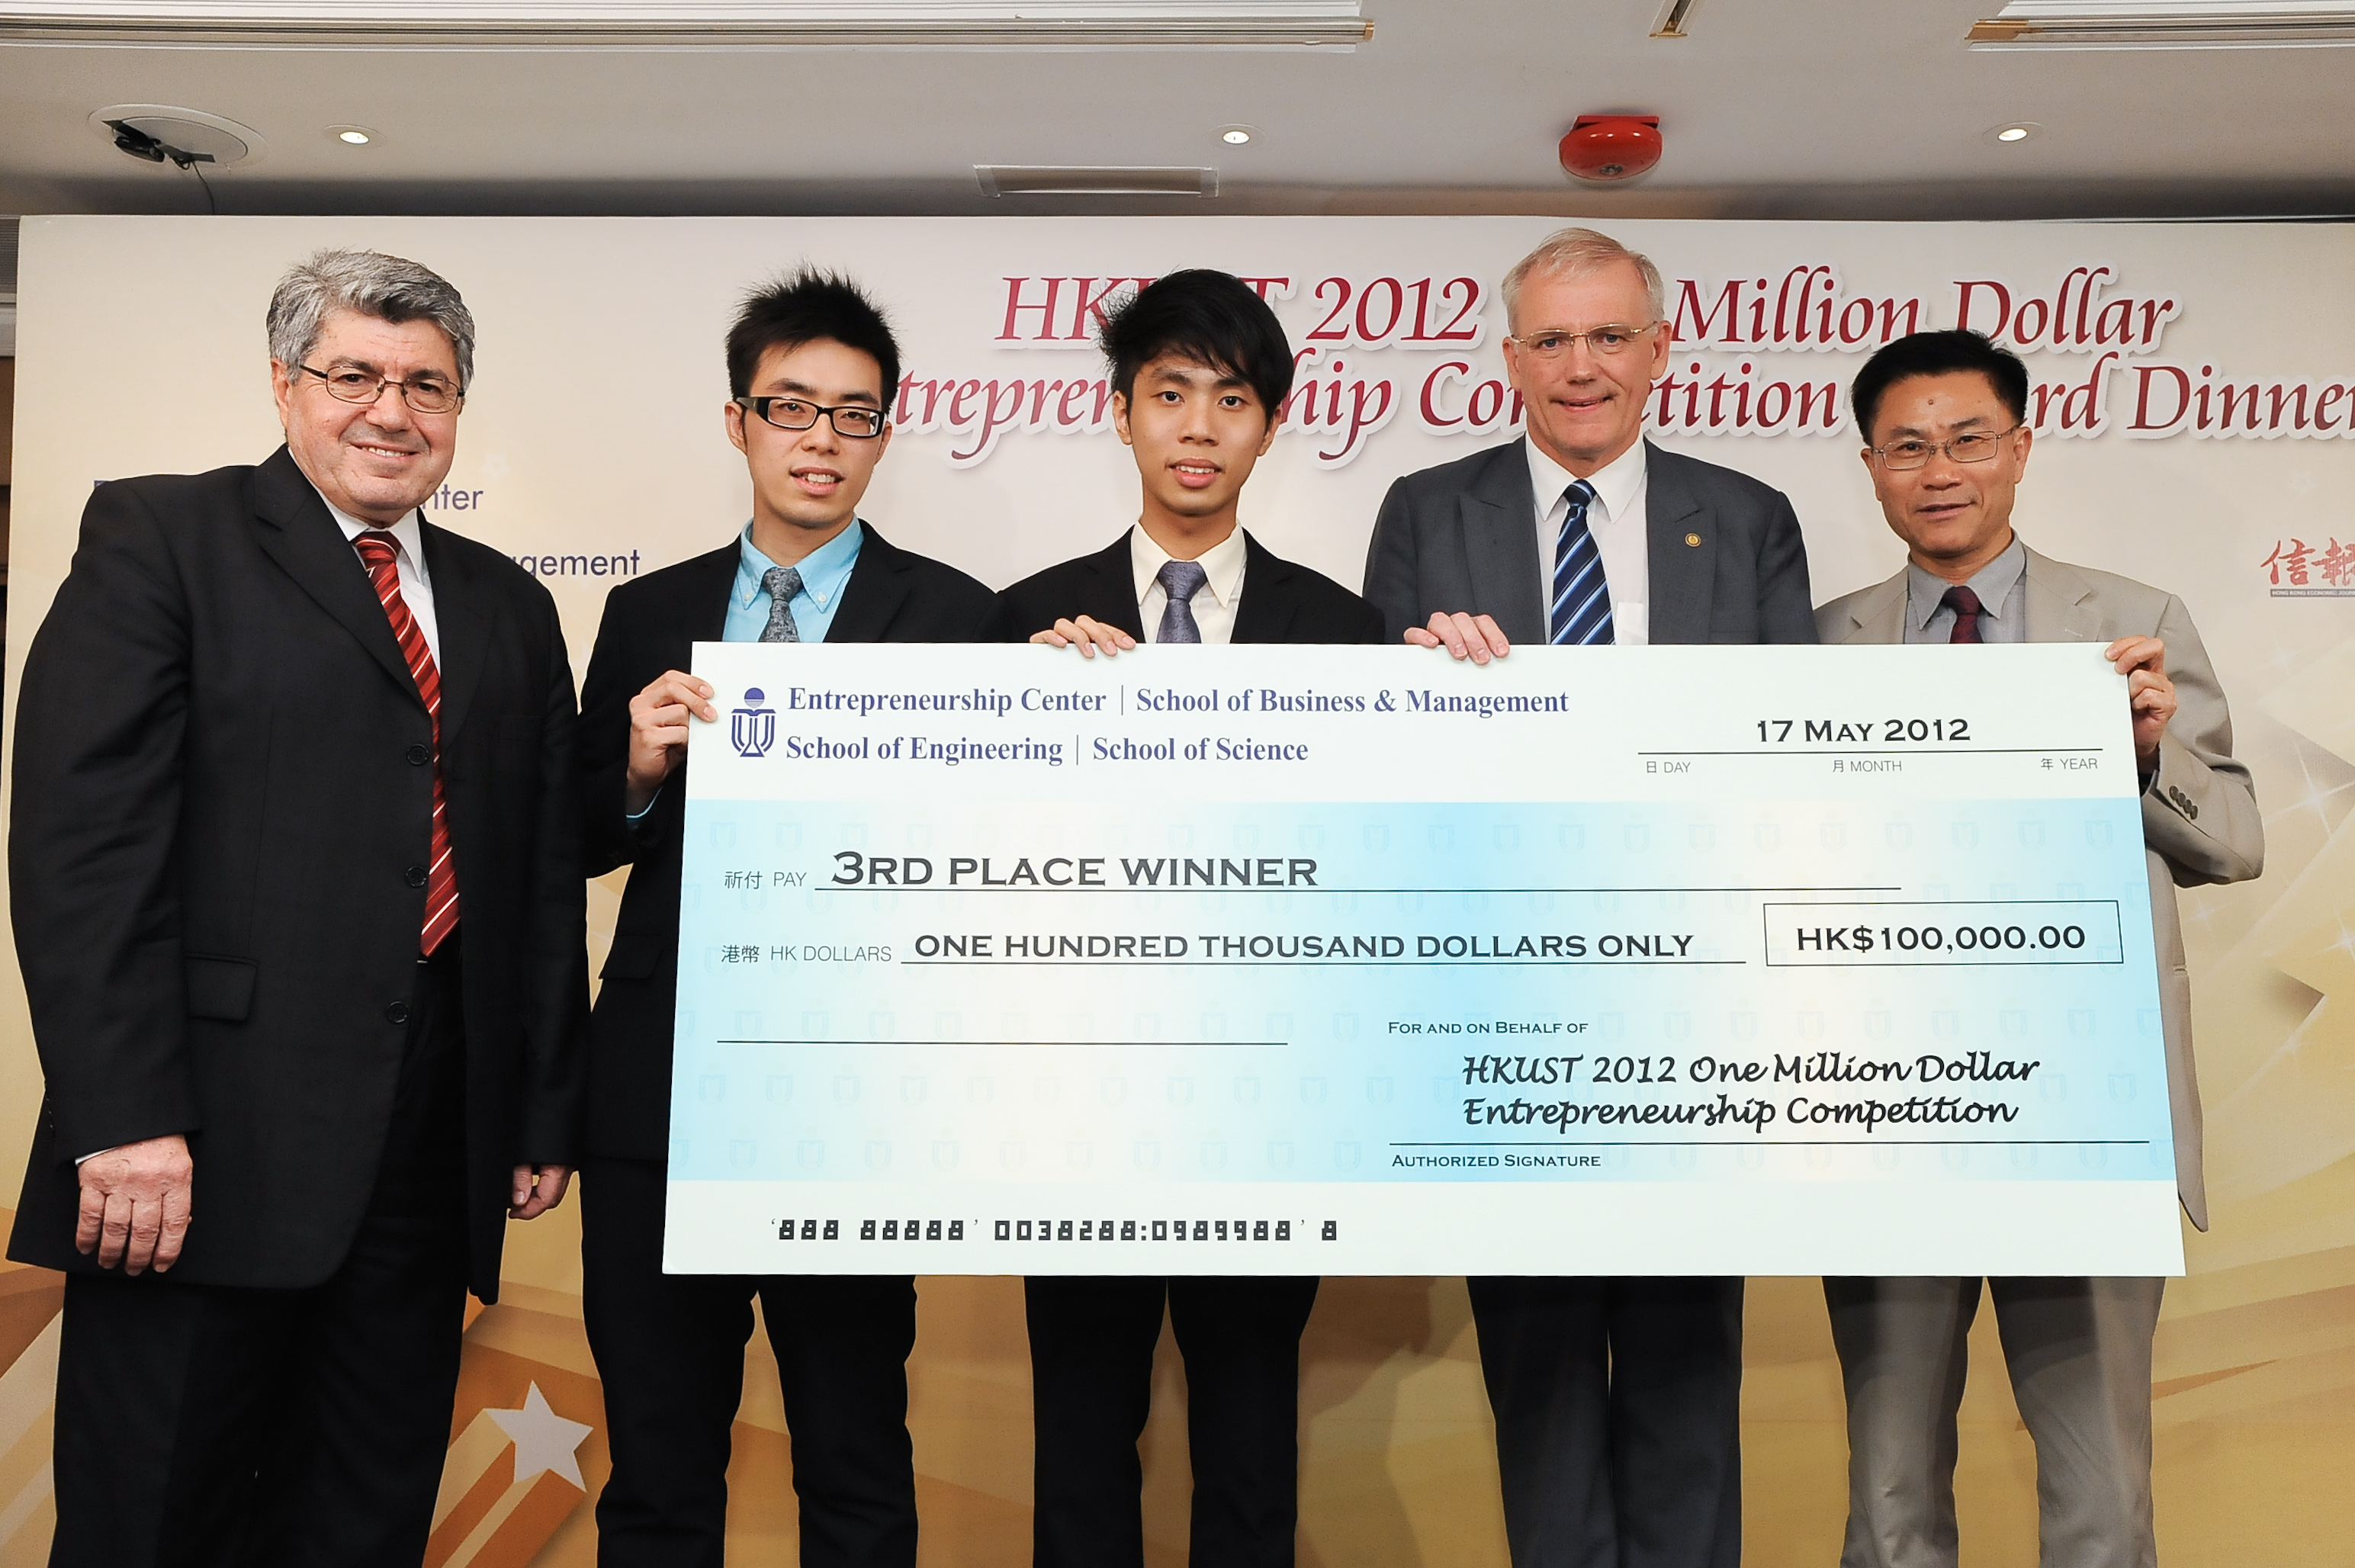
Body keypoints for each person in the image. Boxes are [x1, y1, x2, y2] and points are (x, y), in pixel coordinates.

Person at [8, 247, 587, 1566]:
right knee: (154, 1522)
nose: (392, 411)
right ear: (284, 385)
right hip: (195, 1157)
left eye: (427, 385)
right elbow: (83, 850)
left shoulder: (507, 603)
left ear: (459, 406)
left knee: (361, 1523)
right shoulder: (163, 538)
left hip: (425, 1161)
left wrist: (537, 1104)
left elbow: (537, 871)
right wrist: (126, 1118)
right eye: (354, 376)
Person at [1360, 226, 1815, 1568]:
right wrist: (1419, 685)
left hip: (1698, 1018)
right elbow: (1379, 770)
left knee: (1688, 1386)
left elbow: (1792, 762)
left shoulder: (1749, 517)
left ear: (1661, 352)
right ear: (1508, 360)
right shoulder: (1425, 512)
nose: (1581, 367)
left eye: (1610, 336)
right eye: (1551, 339)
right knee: (1543, 1390)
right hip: (1510, 1022)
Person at [1816, 328, 2262, 1568]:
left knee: (2100, 1489)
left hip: (2084, 1109)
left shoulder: (2133, 622)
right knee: (1891, 1497)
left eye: (1968, 440)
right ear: (1870, 467)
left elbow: (2235, 840)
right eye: (1908, 447)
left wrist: (2146, 756)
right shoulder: (1817, 640)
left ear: (2020, 449)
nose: (1939, 470)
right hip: (1883, 1109)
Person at [576, 269, 996, 1568]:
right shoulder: (646, 610)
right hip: (658, 1096)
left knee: (856, 1467)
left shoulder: (961, 619)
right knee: (657, 1472)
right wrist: (636, 770)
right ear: (738, 421)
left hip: (851, 1104)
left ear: (886, 433)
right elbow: (578, 839)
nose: (822, 439)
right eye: (792, 407)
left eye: (853, 415)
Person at [997, 268, 1382, 1568]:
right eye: (1169, 395)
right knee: (1080, 1438)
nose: (1198, 427)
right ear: (1121, 413)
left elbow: (1372, 866)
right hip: (1076, 1103)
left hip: (1268, 1104)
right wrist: (1019, 720)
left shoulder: (1344, 633)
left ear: (1272, 424)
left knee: (1251, 1442)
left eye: (1231, 398)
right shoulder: (1024, 622)